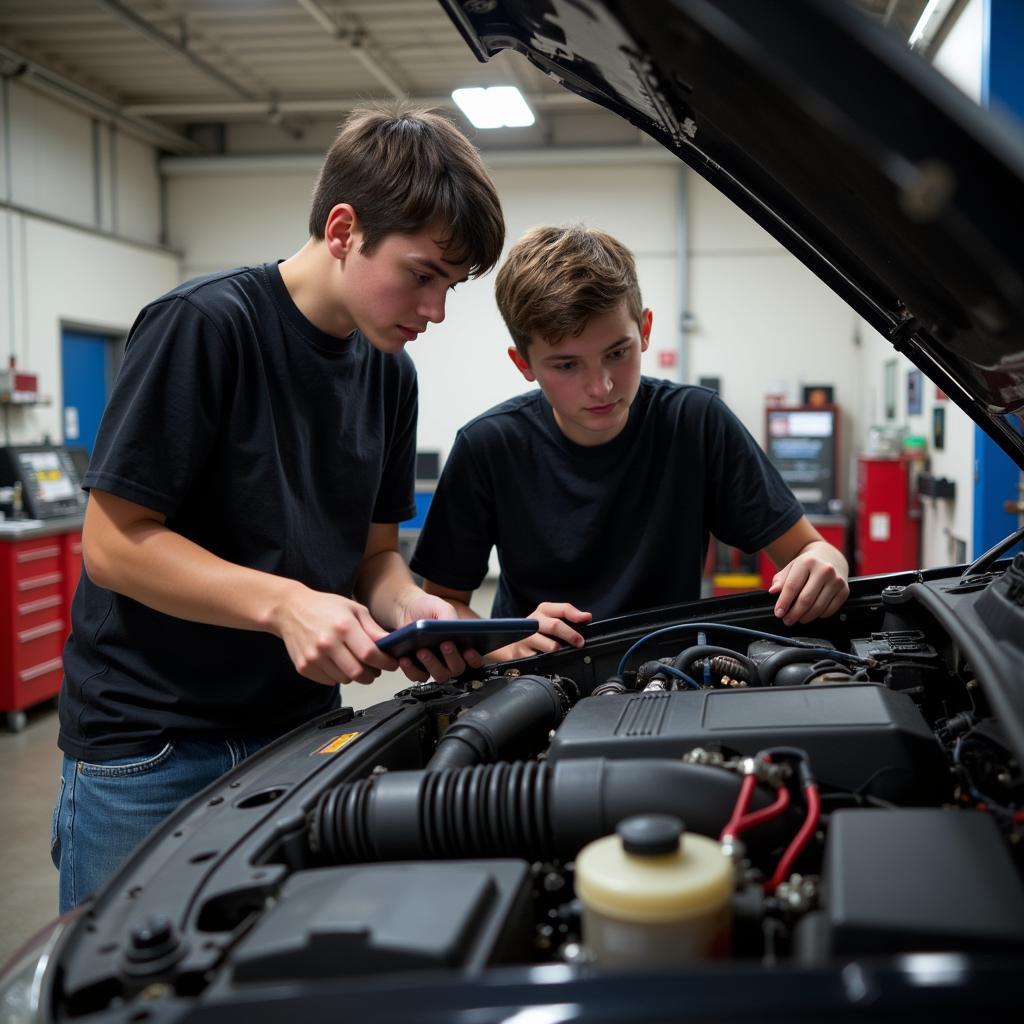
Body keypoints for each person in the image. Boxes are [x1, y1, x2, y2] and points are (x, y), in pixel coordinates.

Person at [51, 103, 505, 911]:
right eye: (423, 273)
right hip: (152, 748)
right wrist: (287, 605)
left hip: (298, 733)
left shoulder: (389, 374)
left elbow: (374, 555)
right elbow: (115, 545)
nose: (435, 310)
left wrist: (413, 612)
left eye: (452, 286)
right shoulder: (205, 326)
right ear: (342, 229)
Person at [410, 224, 849, 659]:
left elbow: (813, 549)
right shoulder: (488, 446)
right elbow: (446, 606)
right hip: (535, 685)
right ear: (524, 363)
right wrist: (504, 644)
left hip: (670, 677)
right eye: (567, 365)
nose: (601, 387)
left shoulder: (695, 422)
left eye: (617, 353)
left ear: (645, 330)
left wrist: (827, 565)